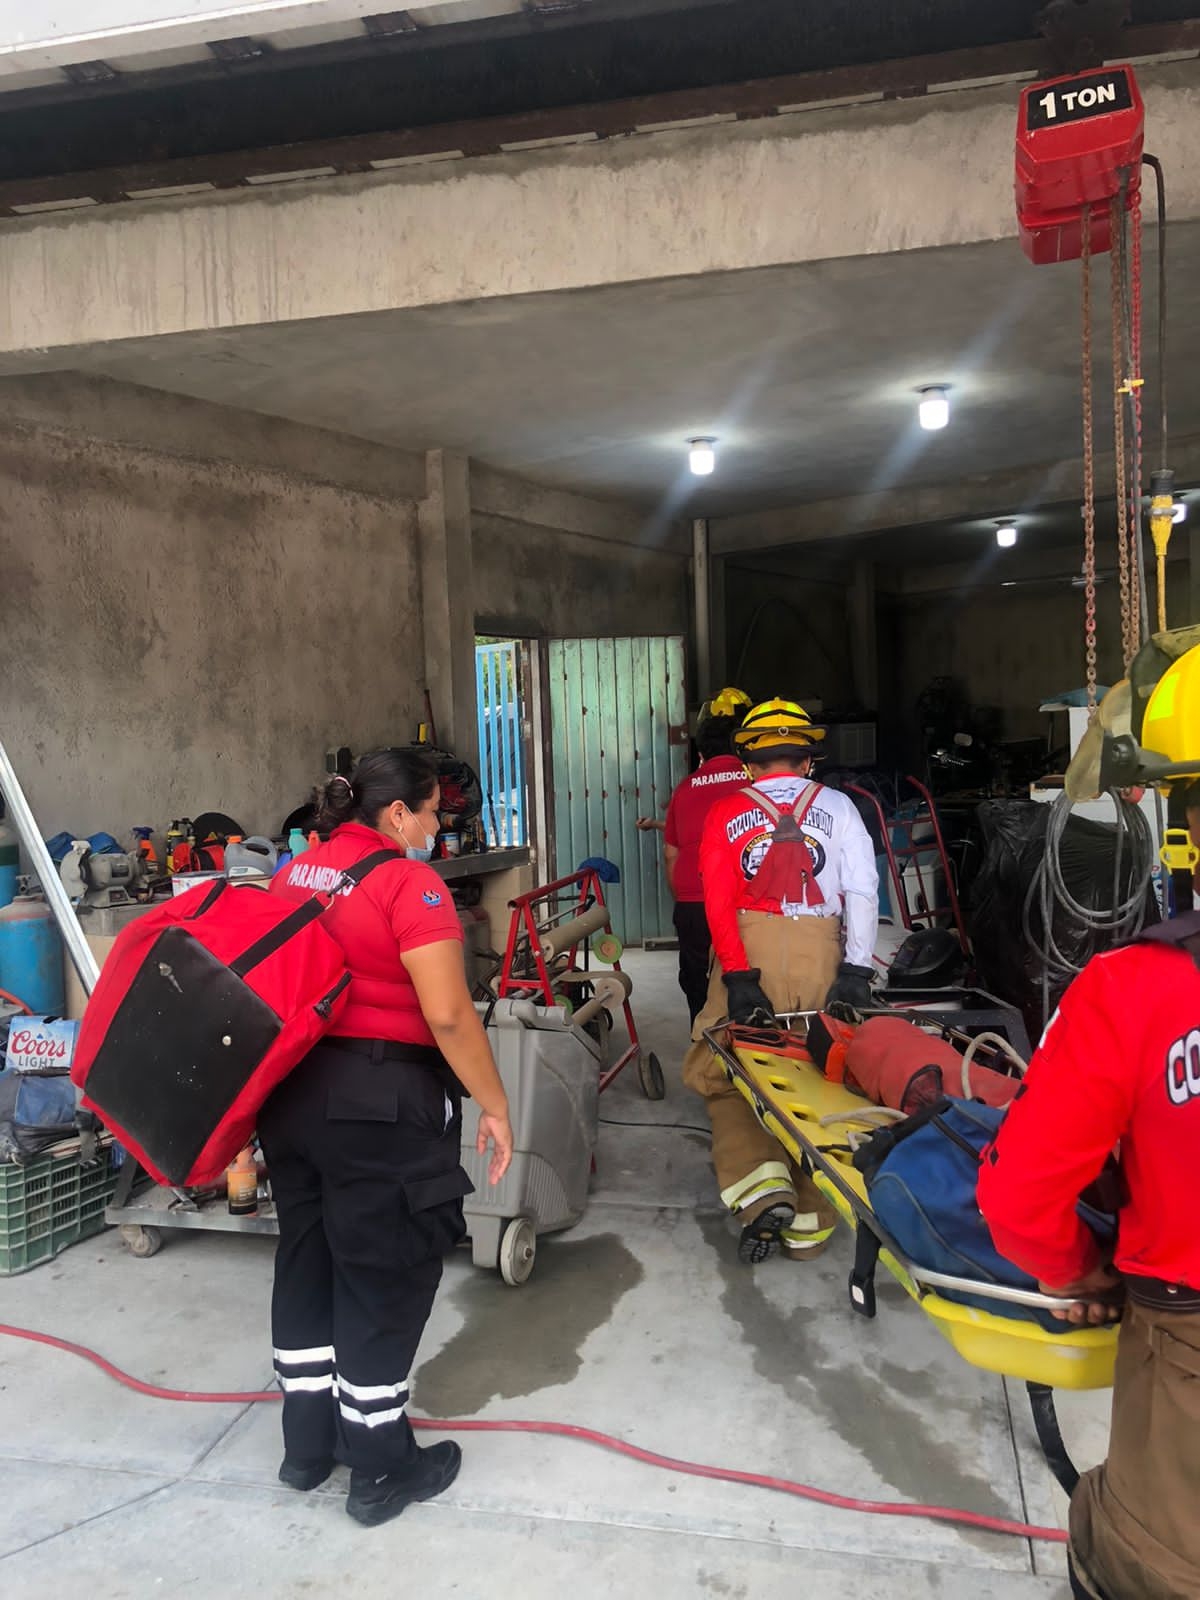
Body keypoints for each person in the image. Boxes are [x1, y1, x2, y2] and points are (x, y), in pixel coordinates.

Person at [258, 748, 514, 1528]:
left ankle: (307, 1449)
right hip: (379, 1104)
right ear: (396, 813)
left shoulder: (294, 872)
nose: (439, 827)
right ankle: (380, 1470)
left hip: (292, 1096)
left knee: (309, 1260)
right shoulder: (410, 883)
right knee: (383, 1274)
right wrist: (494, 1103)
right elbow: (447, 1014)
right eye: (434, 811)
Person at [977, 918, 1200, 1600]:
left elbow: (1018, 1197)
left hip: (1183, 1342)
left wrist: (1076, 1268)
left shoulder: (1140, 984)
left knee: (1142, 1567)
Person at [682, 698, 879, 1263]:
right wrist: (857, 969)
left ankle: (762, 1187)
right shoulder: (841, 808)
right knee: (818, 1072)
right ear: (807, 760)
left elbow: (717, 900)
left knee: (725, 1067)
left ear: (749, 761)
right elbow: (864, 893)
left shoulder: (725, 812)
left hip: (750, 943)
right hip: (823, 948)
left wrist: (740, 975)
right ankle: (809, 1228)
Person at [655, 687, 752, 1022]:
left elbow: (671, 854)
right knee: (750, 978)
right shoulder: (756, 784)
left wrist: (684, 899)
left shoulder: (685, 790)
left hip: (695, 904)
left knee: (698, 982)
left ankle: (704, 1045)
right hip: (746, 903)